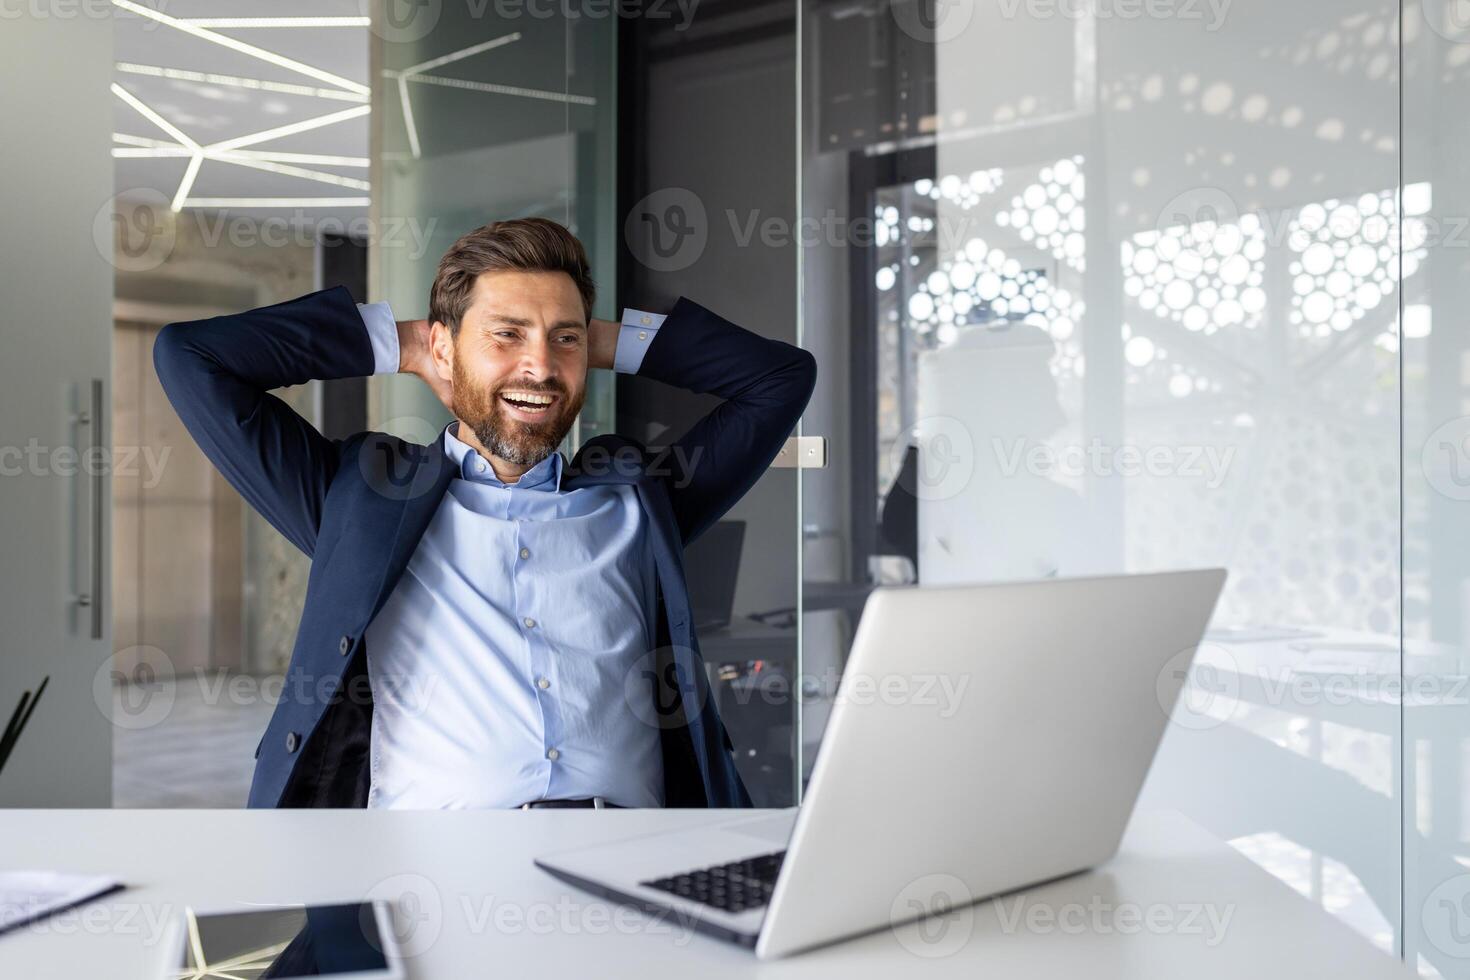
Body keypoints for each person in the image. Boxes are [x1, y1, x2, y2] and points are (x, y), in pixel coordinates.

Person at [153, 217, 816, 809]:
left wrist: (597, 340)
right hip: (434, 881)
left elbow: (779, 379)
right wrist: (403, 343)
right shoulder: (357, 500)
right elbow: (192, 358)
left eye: (564, 339)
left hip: (629, 865)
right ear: (446, 348)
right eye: (506, 334)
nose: (540, 366)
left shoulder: (641, 500)